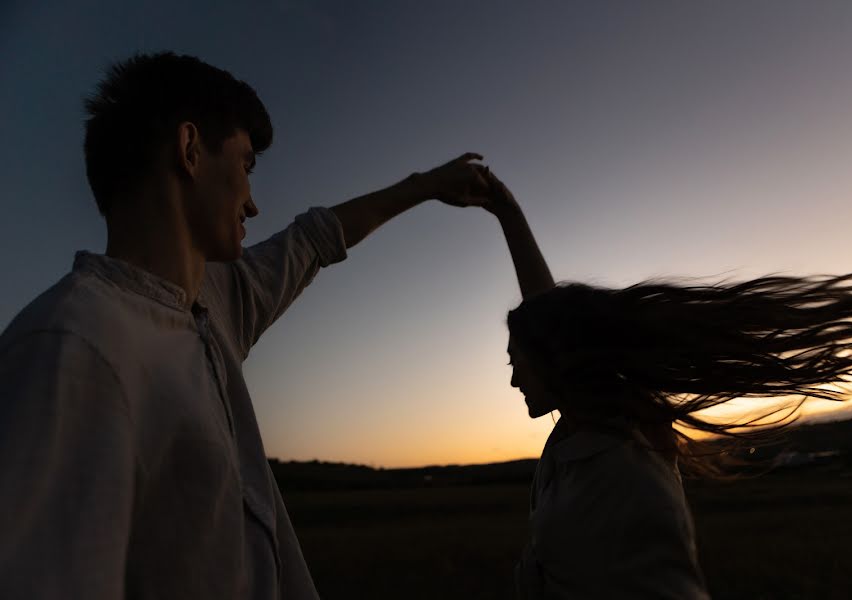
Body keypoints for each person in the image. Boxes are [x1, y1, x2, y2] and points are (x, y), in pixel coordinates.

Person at [0, 52, 493, 599]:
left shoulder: (214, 302)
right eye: (245, 164)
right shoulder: (72, 346)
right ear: (190, 151)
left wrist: (425, 186)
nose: (253, 204)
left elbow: (315, 239)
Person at [480, 172, 852, 599]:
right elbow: (549, 315)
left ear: (558, 363)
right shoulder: (582, 426)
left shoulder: (624, 478)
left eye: (520, 365)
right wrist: (508, 213)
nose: (514, 380)